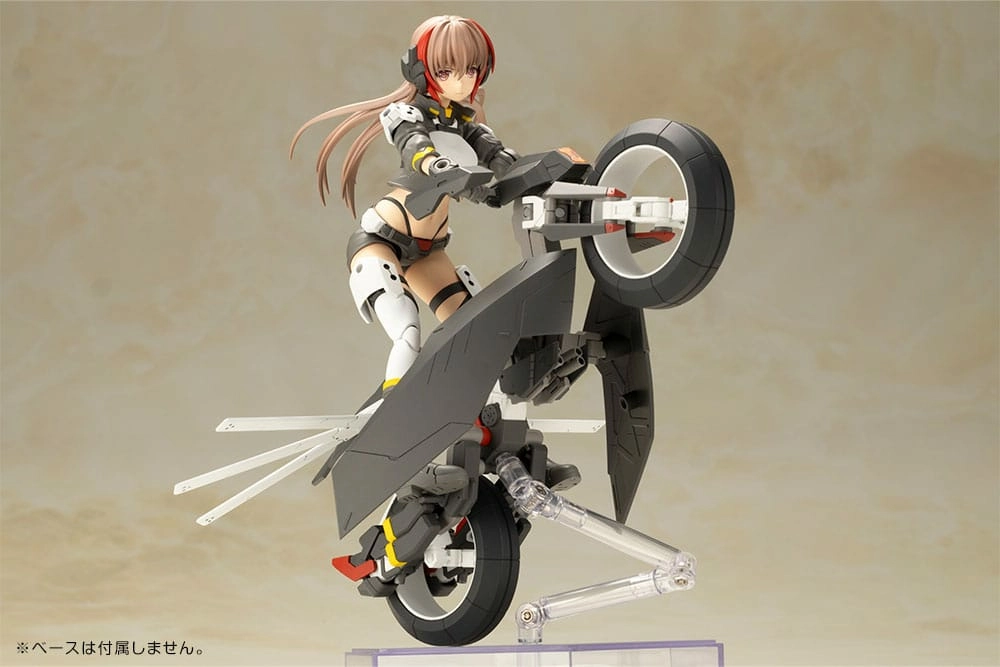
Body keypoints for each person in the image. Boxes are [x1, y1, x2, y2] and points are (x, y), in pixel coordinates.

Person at [290, 15, 518, 398]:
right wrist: (433, 163)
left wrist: (525, 174)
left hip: (429, 252)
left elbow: (496, 157)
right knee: (407, 330)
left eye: (471, 70)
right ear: (418, 69)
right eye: (446, 70)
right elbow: (413, 144)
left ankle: (489, 412)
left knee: (474, 331)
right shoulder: (407, 115)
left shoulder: (465, 125)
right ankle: (393, 409)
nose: (461, 81)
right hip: (382, 241)